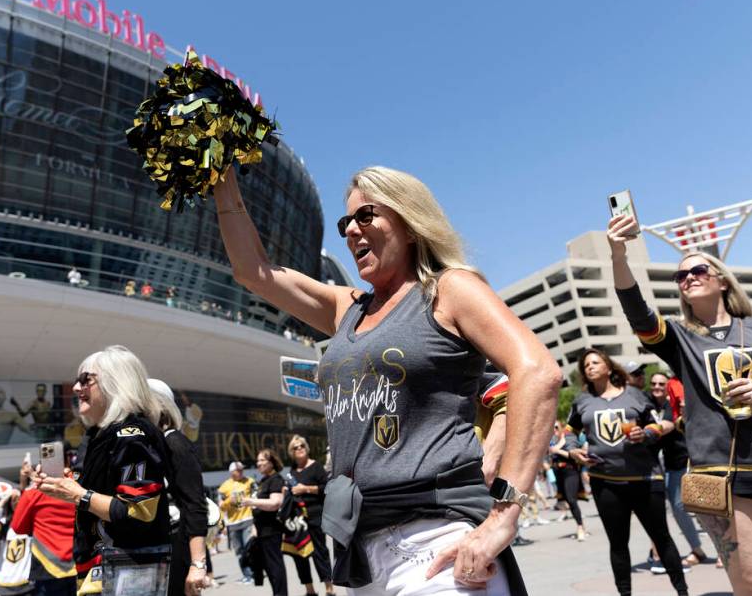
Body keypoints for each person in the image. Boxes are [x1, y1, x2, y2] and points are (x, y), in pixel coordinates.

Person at [213, 165, 560, 593]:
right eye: (346, 223)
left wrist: (504, 516)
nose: (351, 231)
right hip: (361, 553)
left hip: (439, 541)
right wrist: (221, 175)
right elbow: (253, 272)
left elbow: (538, 372)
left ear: (411, 224)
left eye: (366, 216)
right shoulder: (347, 308)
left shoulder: (449, 289)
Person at [607, 214, 752, 595]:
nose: (687, 277)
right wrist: (618, 254)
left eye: (697, 269)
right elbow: (636, 309)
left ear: (722, 280)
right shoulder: (677, 337)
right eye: (680, 276)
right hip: (724, 477)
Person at [33, 346, 172, 596]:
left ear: (114, 382)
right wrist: (62, 487)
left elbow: (138, 512)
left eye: (86, 380)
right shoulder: (98, 435)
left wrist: (79, 495)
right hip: (101, 570)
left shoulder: (132, 435)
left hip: (128, 572)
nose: (76, 388)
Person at [565, 348, 688, 596]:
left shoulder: (635, 396)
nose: (590, 367)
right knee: (618, 544)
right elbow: (569, 431)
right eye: (586, 365)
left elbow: (659, 424)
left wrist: (647, 433)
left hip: (644, 478)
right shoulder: (582, 401)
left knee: (661, 538)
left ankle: (682, 591)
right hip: (605, 481)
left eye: (595, 362)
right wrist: (573, 450)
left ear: (609, 367)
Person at [147, 379, 207, 596]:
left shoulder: (175, 442)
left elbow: (195, 504)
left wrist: (197, 565)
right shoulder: (153, 445)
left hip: (178, 546)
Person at [647, 372, 708, 568]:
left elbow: (669, 425)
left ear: (668, 386)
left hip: (690, 461)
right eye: (653, 383)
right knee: (678, 509)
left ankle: (724, 552)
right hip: (671, 465)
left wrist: (649, 431)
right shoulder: (649, 406)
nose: (657, 386)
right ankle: (697, 550)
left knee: (707, 508)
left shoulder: (670, 405)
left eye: (661, 384)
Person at [12, 466, 77, 596]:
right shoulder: (78, 489)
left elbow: (18, 527)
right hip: (79, 561)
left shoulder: (32, 493)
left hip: (48, 566)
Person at [286, 435, 335, 596]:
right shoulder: (292, 471)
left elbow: (326, 488)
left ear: (306, 448)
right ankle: (310, 590)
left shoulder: (316, 466)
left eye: (301, 446)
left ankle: (329, 588)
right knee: (300, 554)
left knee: (320, 552)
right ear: (291, 452)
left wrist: (305, 489)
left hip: (315, 515)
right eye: (295, 447)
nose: (299, 449)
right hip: (298, 519)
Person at [241, 449, 287, 596]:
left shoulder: (276, 479)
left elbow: (275, 503)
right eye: (258, 461)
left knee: (275, 567)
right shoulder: (263, 480)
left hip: (271, 530)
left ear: (271, 462)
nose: (258, 463)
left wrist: (251, 501)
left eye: (262, 460)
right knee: (268, 568)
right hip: (261, 531)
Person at [217, 462, 256, 585]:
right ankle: (246, 575)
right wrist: (229, 500)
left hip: (247, 519)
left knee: (249, 548)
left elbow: (256, 497)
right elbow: (221, 506)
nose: (240, 472)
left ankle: (254, 573)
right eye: (237, 470)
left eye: (241, 470)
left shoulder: (250, 481)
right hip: (233, 524)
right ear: (231, 472)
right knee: (239, 551)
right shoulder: (224, 486)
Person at [548, 421, 587, 541]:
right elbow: (550, 451)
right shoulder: (552, 440)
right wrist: (557, 447)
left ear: (561, 428)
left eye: (556, 427)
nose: (554, 429)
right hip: (558, 473)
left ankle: (580, 527)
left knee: (571, 499)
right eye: (552, 427)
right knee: (566, 501)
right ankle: (581, 524)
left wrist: (558, 448)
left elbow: (572, 455)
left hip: (571, 471)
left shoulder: (568, 438)